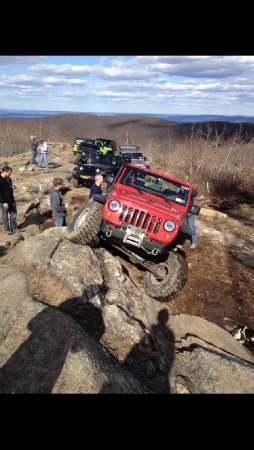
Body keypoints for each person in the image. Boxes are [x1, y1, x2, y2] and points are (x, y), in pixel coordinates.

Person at [0, 165, 19, 235]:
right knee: (5, 216)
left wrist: (12, 187)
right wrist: (4, 202)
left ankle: (14, 228)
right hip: (4, 201)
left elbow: (8, 187)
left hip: (11, 199)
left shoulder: (8, 179)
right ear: (5, 171)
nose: (10, 174)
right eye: (9, 173)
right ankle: (7, 229)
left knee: (13, 215)